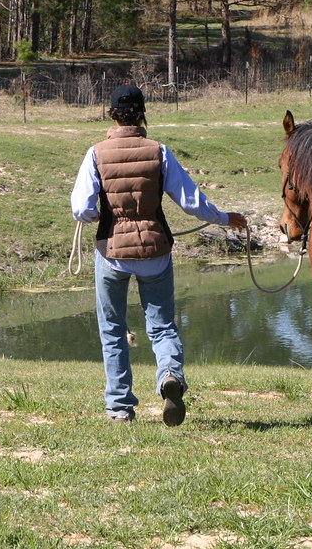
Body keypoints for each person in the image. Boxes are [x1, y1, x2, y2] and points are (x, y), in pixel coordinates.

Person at [70, 84, 247, 426]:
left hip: (111, 253)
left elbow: (81, 208)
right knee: (162, 326)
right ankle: (169, 375)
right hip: (155, 250)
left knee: (112, 329)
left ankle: (120, 407)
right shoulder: (159, 151)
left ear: (110, 115)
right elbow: (191, 201)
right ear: (143, 113)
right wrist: (226, 219)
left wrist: (98, 217)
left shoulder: (95, 153)